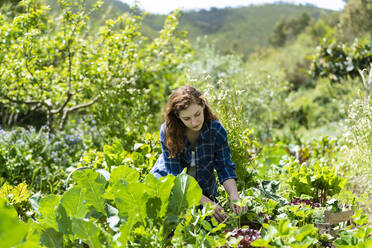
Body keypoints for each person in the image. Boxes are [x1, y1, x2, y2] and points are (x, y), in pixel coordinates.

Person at [150, 85, 246, 222]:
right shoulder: (168, 132)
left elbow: (224, 167)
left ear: (203, 105)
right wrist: (206, 203)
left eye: (197, 114)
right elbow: (177, 178)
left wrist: (234, 196)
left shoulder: (216, 130)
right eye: (187, 118)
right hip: (169, 185)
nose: (194, 122)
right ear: (178, 116)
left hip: (204, 189)